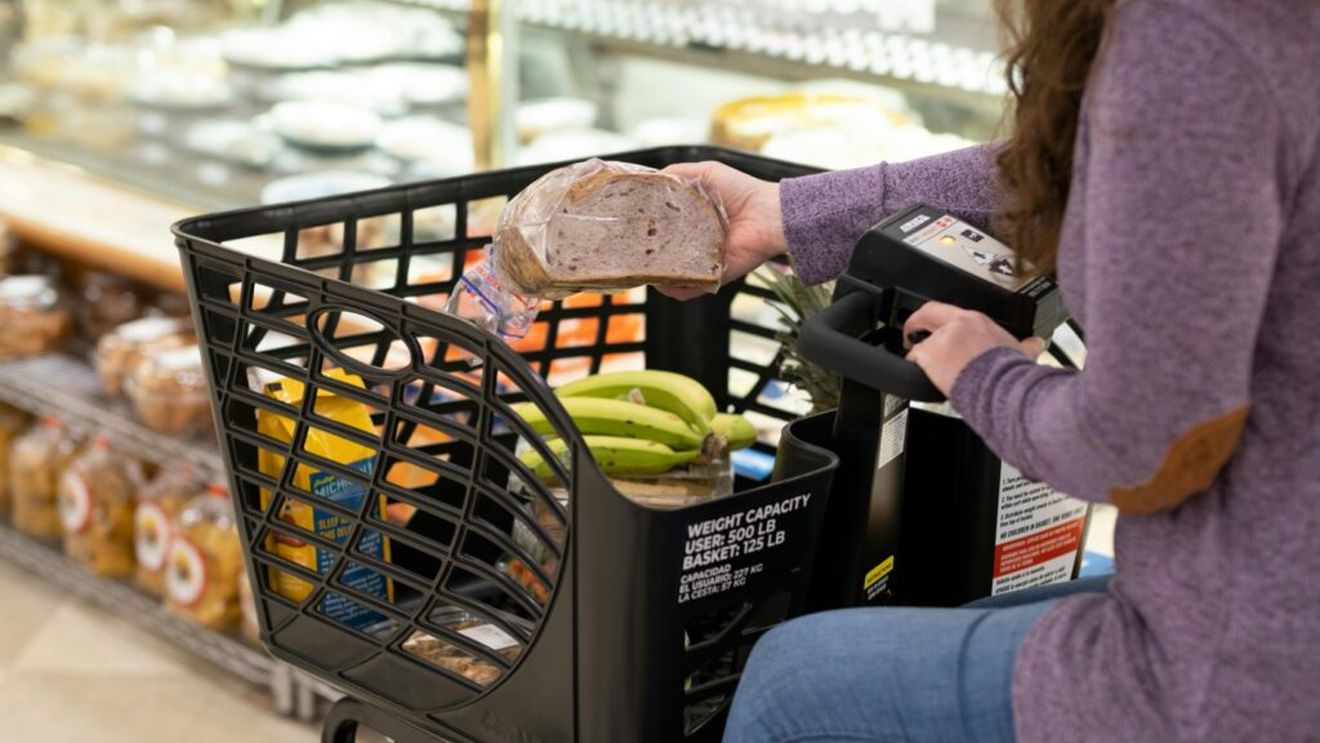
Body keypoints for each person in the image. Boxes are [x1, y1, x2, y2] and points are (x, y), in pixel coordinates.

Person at [663, 0, 1320, 740]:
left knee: (792, 682)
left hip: (1248, 662)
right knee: (963, 620)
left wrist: (988, 376)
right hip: (1251, 584)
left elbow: (1147, 446)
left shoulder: (1192, 36)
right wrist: (793, 212)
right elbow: (1104, 167)